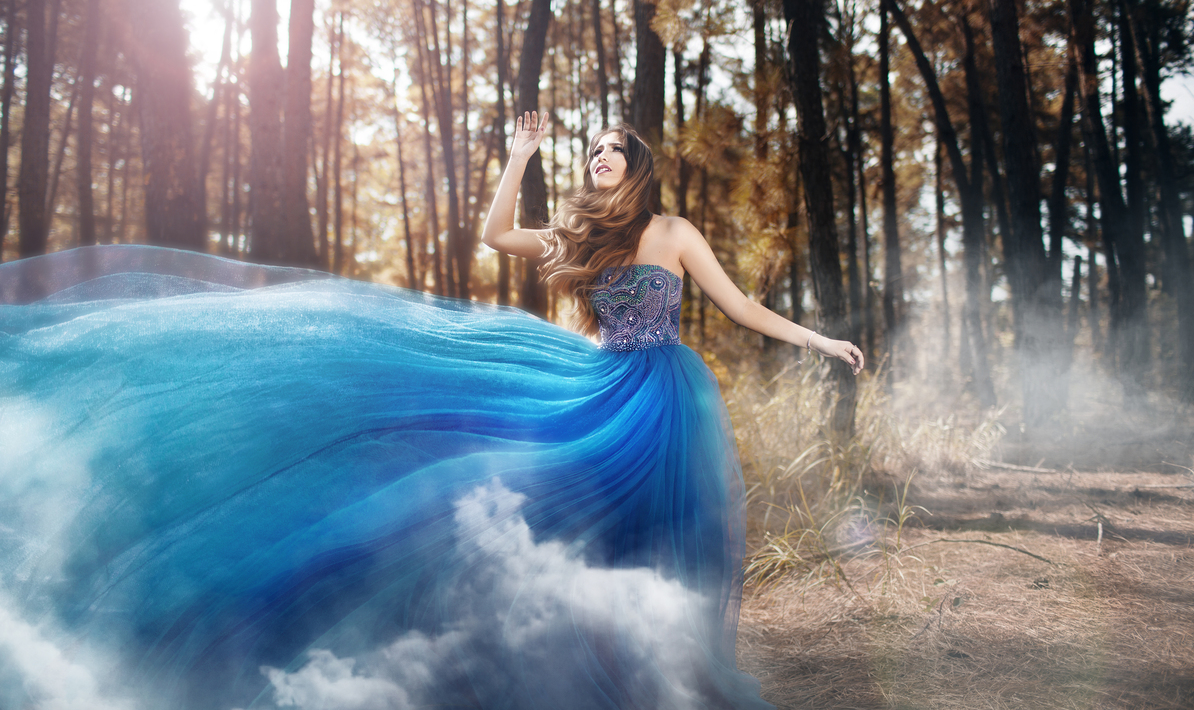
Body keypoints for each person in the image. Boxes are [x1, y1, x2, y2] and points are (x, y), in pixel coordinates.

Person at [0, 113, 860, 710]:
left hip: (664, 392)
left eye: (613, 151)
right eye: (593, 150)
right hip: (597, 383)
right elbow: (493, 236)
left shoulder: (672, 232)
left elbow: (742, 308)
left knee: (660, 524)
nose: (601, 158)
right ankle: (579, 660)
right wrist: (523, 155)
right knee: (538, 500)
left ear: (638, 166)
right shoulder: (578, 236)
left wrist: (819, 343)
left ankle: (667, 669)